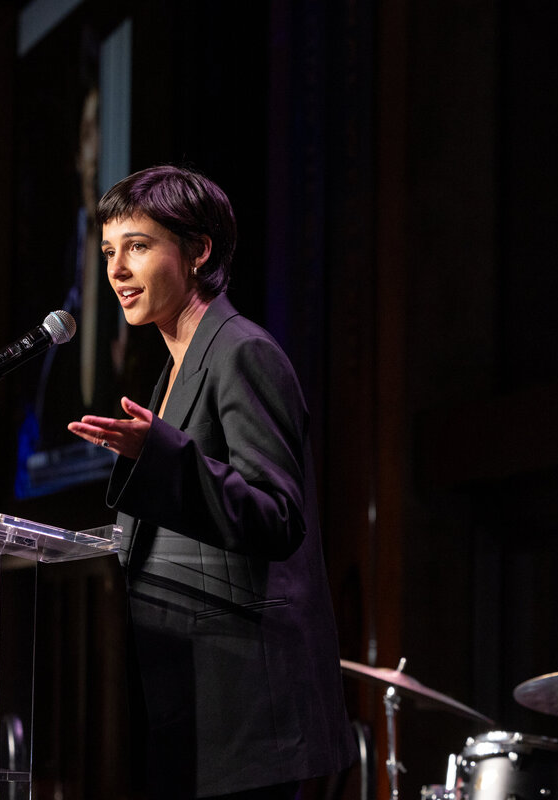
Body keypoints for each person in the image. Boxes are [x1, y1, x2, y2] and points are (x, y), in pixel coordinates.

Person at [67, 165, 356, 799]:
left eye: (138, 247)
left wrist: (162, 457)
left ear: (197, 251)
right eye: (110, 251)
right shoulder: (175, 367)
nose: (116, 271)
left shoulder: (242, 352)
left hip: (249, 712)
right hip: (190, 706)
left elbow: (278, 514)